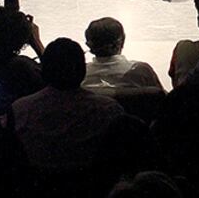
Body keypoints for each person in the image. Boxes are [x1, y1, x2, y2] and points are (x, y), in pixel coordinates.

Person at [11, 38, 124, 172]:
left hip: (36, 188)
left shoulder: (20, 110)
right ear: (83, 70)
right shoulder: (108, 110)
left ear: (43, 71)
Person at [82, 17, 162, 91]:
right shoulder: (142, 71)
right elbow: (163, 98)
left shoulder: (79, 77)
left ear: (89, 44)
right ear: (122, 41)